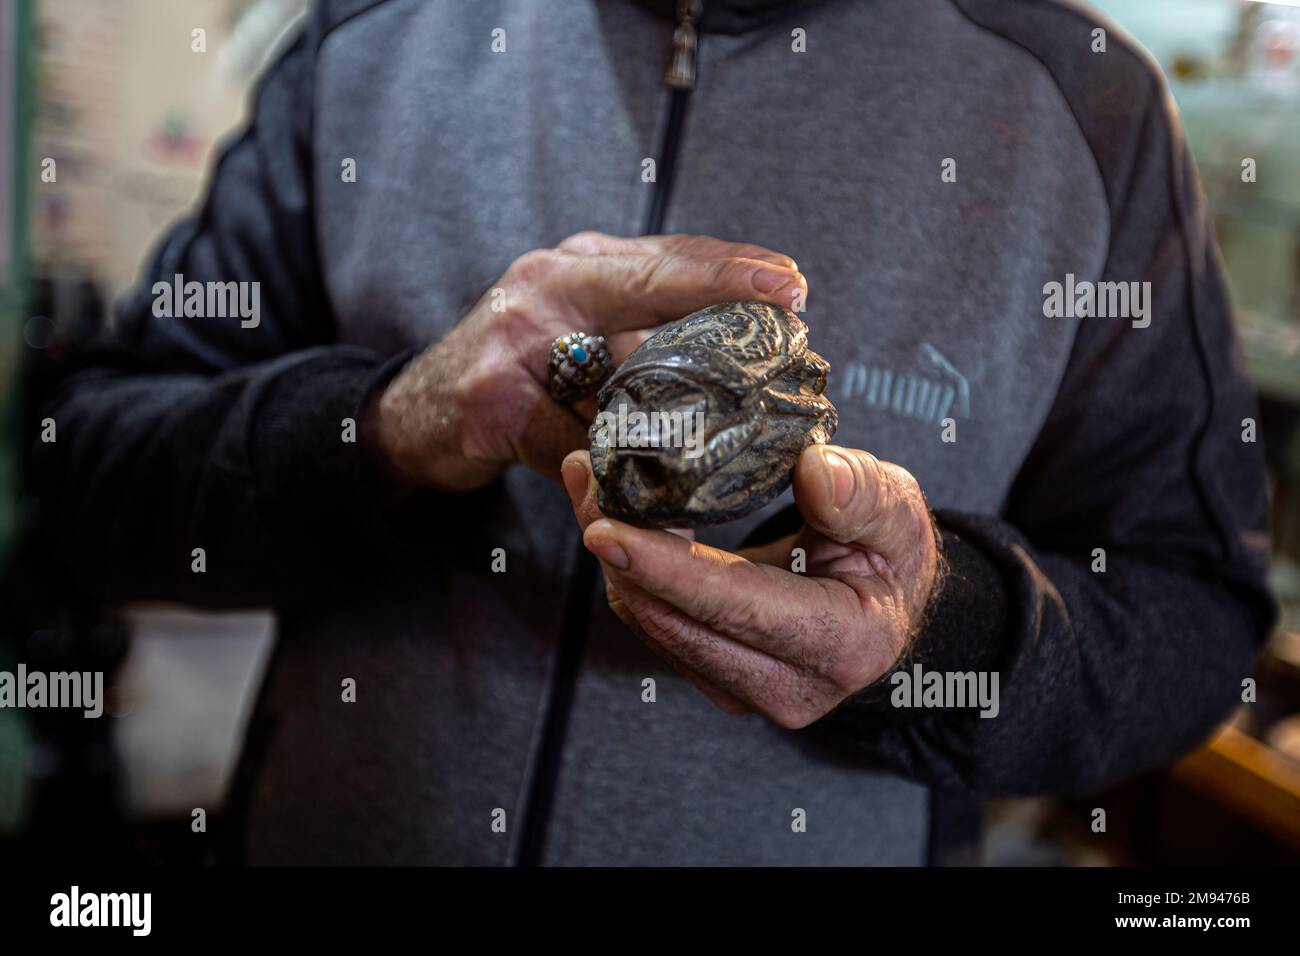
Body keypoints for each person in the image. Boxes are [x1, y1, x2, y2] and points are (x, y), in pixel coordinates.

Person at [31, 0, 1275, 865]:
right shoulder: (369, 39)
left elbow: (1198, 625)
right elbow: (88, 481)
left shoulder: (1088, 110)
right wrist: (397, 419)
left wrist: (932, 628)